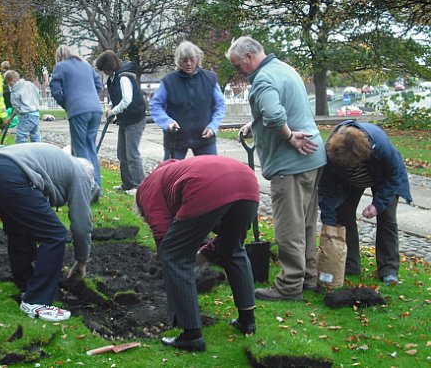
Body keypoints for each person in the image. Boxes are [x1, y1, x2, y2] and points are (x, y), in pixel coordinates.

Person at [226, 36, 327, 301]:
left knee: (289, 228)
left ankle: (289, 286)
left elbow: (274, 116)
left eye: (238, 65)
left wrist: (289, 137)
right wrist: (253, 123)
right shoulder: (284, 68)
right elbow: (273, 109)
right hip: (313, 158)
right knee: (305, 223)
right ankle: (308, 278)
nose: (239, 72)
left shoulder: (262, 78)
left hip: (290, 163)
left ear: (249, 57)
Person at [135, 156, 260, 352]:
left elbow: (163, 233)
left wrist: (168, 265)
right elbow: (219, 241)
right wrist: (203, 255)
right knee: (232, 249)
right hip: (248, 182)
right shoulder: (176, 172)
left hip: (209, 185)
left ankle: (191, 335)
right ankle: (247, 321)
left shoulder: (147, 189)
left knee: (174, 254)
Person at [0, 143, 97, 322]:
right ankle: (36, 301)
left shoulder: (60, 165)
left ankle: (25, 284)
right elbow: (82, 224)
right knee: (55, 234)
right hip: (10, 174)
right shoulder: (81, 175)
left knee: (19, 229)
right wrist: (82, 259)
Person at [319, 120, 412, 285]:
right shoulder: (331, 153)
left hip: (383, 178)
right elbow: (326, 189)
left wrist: (377, 205)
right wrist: (329, 223)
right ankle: (350, 265)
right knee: (343, 215)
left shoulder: (380, 146)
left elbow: (394, 176)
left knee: (387, 219)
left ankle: (389, 270)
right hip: (349, 181)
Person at [149, 41, 226, 160]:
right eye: (184, 60)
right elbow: (155, 105)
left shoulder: (210, 79)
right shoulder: (168, 82)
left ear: (198, 59)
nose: (188, 63)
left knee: (210, 175)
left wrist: (213, 126)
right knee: (171, 175)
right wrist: (167, 122)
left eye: (192, 59)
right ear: (178, 61)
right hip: (176, 139)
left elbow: (220, 105)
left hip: (205, 137)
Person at [49, 45, 103, 186]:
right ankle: (97, 185)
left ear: (58, 57)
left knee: (80, 149)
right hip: (96, 109)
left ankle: (88, 187)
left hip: (78, 110)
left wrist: (67, 104)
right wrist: (91, 98)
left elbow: (55, 90)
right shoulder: (86, 66)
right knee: (91, 147)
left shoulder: (60, 67)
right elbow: (99, 85)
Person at [95, 50, 146, 195]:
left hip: (135, 119)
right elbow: (117, 98)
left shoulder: (123, 77)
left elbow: (127, 100)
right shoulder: (112, 79)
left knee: (132, 154)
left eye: (104, 69)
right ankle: (127, 183)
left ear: (109, 66)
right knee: (121, 154)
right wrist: (111, 108)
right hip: (125, 119)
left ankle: (139, 186)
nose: (103, 72)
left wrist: (114, 111)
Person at [3, 70, 41, 144]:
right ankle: (38, 151)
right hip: (36, 114)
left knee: (21, 134)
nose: (10, 86)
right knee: (35, 135)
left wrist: (10, 118)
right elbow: (37, 92)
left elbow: (16, 108)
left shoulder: (15, 91)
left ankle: (21, 152)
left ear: (14, 80)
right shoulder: (29, 84)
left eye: (10, 84)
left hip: (26, 116)